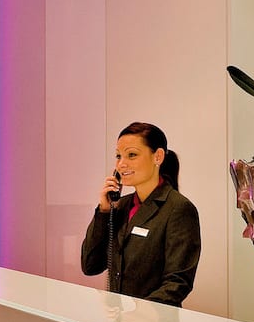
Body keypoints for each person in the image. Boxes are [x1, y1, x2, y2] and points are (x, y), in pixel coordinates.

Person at [80, 122, 201, 307]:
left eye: (132, 155)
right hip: (119, 319)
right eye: (118, 156)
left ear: (158, 156)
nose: (121, 164)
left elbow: (178, 283)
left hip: (155, 321)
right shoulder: (121, 206)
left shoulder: (179, 209)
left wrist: (139, 314)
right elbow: (90, 266)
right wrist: (104, 212)